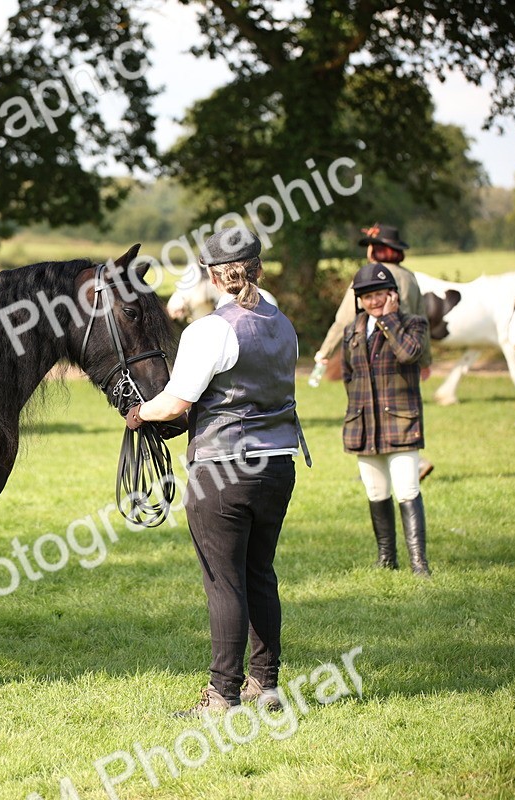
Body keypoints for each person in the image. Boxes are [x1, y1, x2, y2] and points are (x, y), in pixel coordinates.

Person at [126, 227, 308, 715]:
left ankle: (223, 694)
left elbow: (176, 402)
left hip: (223, 470)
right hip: (279, 463)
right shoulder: (284, 325)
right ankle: (265, 686)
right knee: (259, 573)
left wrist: (139, 413)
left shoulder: (210, 330)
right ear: (258, 269)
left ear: (211, 276)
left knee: (224, 583)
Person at [315, 223, 434, 478]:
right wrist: (425, 361)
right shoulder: (410, 277)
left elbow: (345, 319)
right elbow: (421, 318)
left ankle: (377, 465)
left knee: (372, 408)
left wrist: (325, 351)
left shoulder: (367, 278)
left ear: (376, 250)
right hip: (406, 352)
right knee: (400, 412)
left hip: (376, 354)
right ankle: (401, 463)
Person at [343, 262, 431, 577]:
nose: (374, 301)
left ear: (393, 294)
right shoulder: (352, 330)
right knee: (376, 492)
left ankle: (419, 563)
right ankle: (386, 558)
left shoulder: (413, 323)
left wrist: (390, 320)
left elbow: (409, 354)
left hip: (401, 422)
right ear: (360, 300)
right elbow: (349, 376)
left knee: (407, 490)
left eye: (380, 294)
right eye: (368, 297)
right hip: (364, 425)